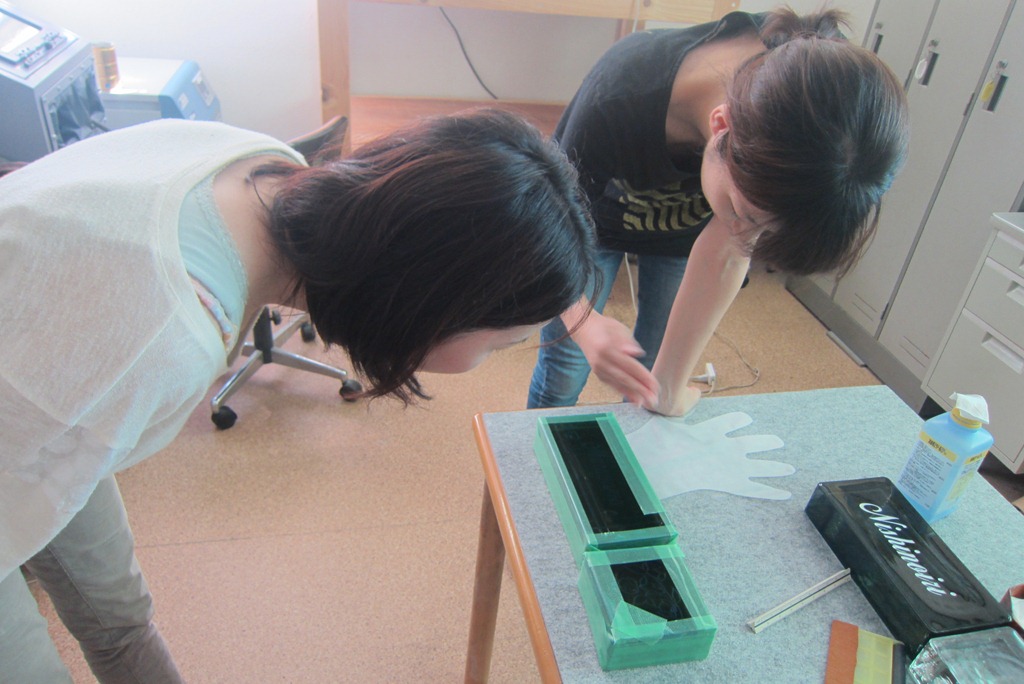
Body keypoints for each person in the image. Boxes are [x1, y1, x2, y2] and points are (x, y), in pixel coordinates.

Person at [0, 109, 596, 682]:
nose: (488, 359)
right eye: (500, 344)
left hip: (41, 391)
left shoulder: (263, 163)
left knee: (120, 619)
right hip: (34, 409)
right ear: (430, 303)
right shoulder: (161, 341)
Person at [527, 6, 910, 416]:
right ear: (721, 124)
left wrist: (667, 390)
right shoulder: (617, 95)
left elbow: (728, 249)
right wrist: (585, 323)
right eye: (746, 217)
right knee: (567, 362)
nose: (747, 237)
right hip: (590, 222)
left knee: (652, 370)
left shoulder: (829, 98)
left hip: (683, 229)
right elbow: (546, 226)